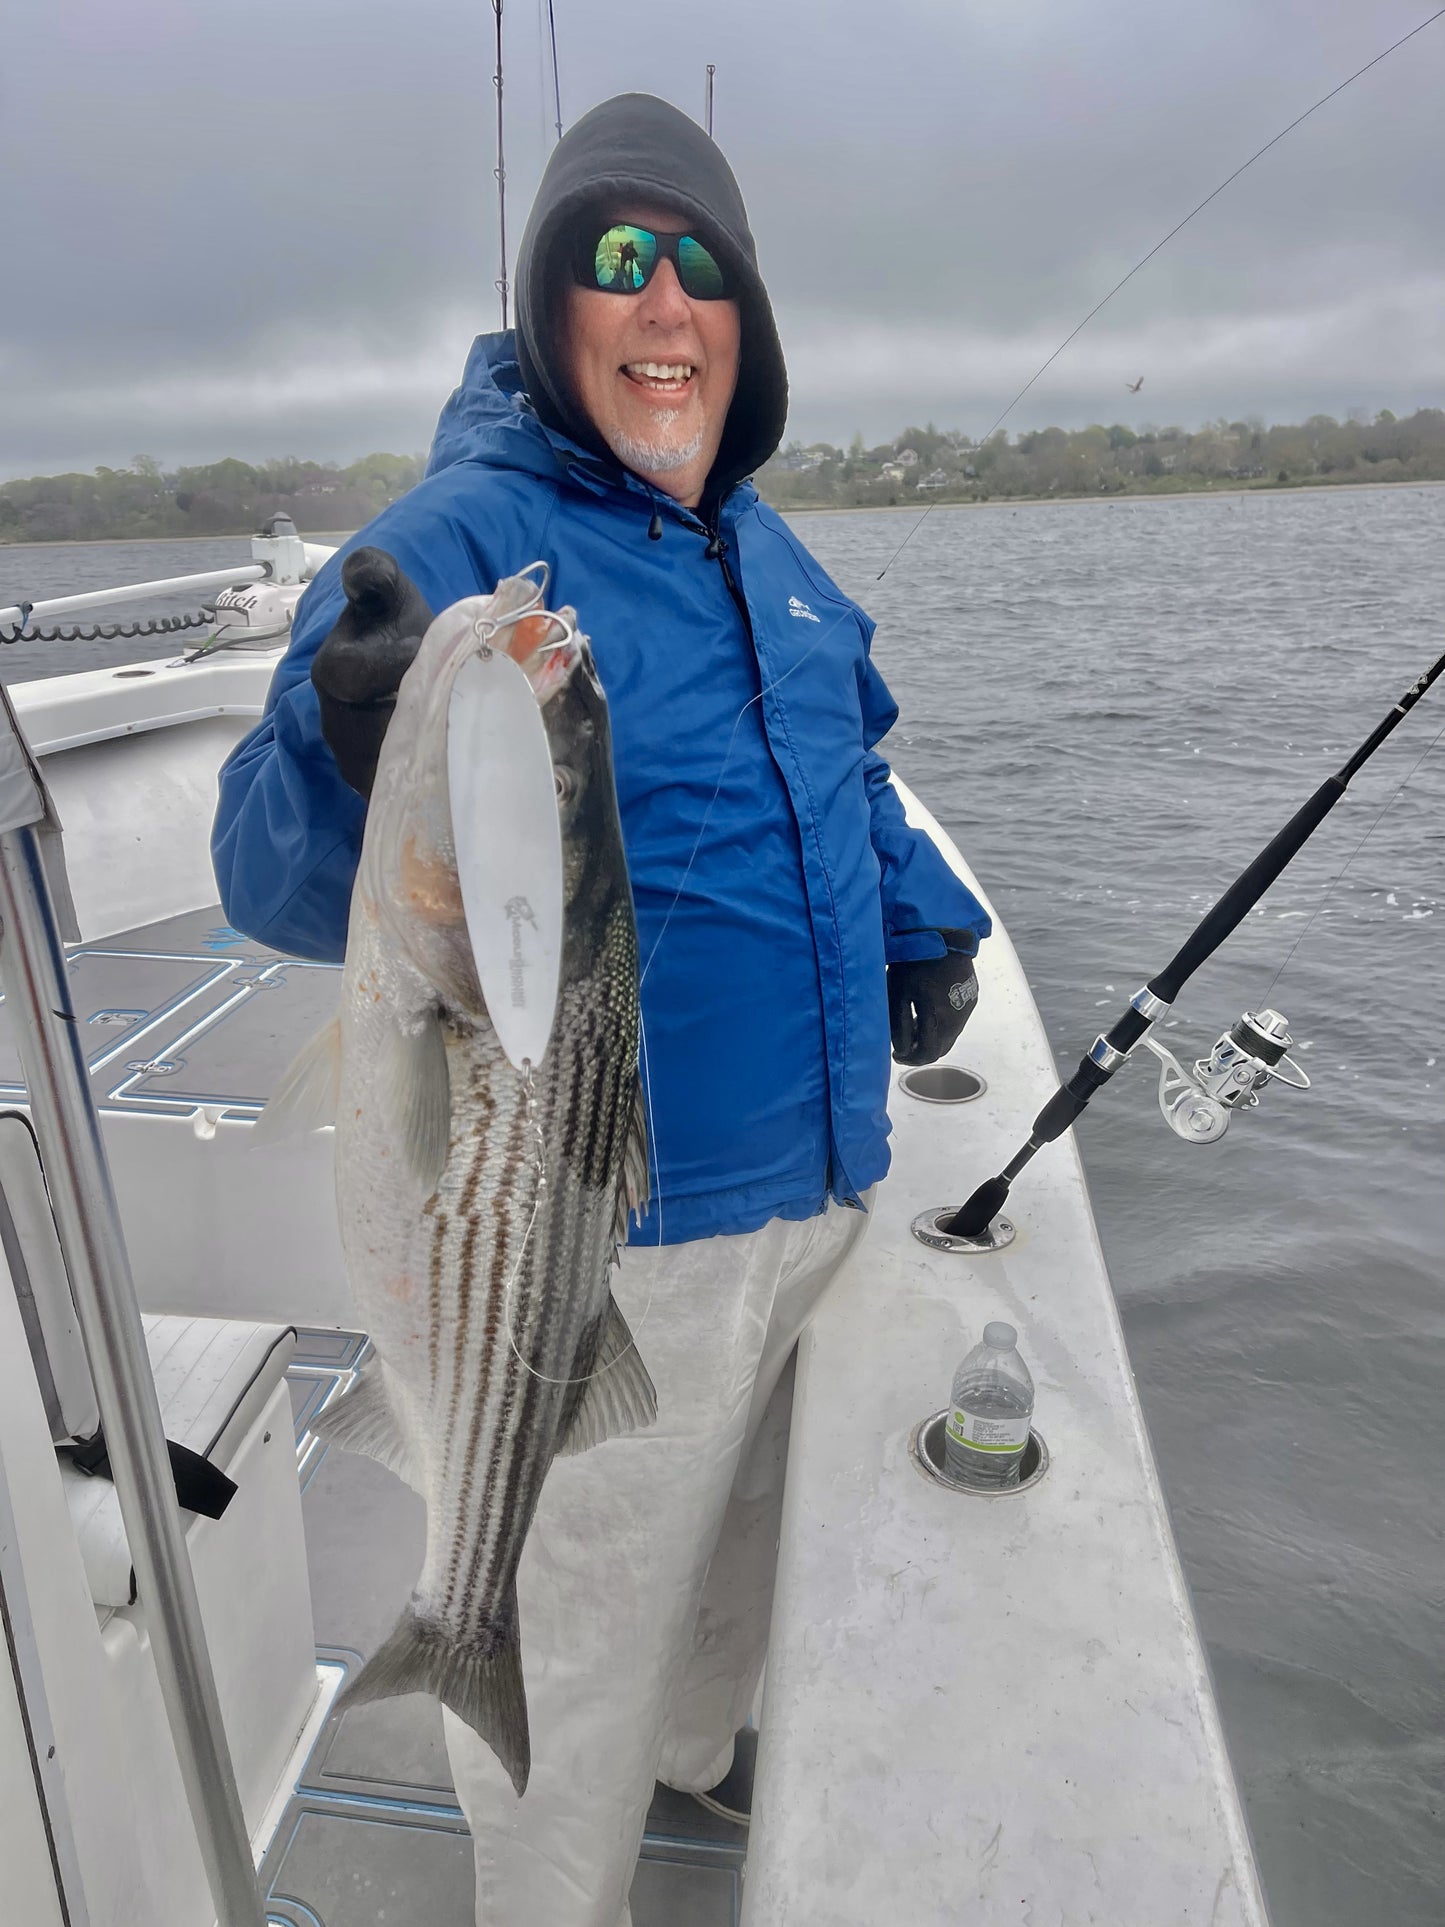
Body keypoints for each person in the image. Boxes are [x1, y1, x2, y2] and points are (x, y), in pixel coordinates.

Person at [212, 91, 990, 1927]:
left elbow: (847, 776)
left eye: (695, 266)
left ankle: (698, 1768)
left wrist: (921, 921)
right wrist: (344, 743)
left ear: (748, 324)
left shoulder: (772, 553)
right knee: (559, 1691)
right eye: (613, 263)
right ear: (556, 312)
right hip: (604, 1247)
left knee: (722, 1592)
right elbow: (273, 875)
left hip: (817, 1210)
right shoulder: (458, 542)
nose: (660, 304)